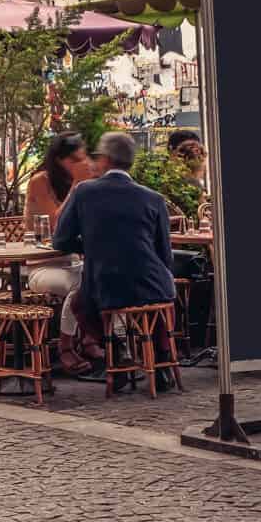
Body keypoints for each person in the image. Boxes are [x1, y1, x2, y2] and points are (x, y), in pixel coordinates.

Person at [52, 131, 177, 388]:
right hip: (152, 283)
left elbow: (60, 241)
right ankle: (162, 360)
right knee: (160, 299)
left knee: (80, 303)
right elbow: (165, 253)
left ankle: (117, 351)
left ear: (106, 160)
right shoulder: (153, 198)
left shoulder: (85, 192)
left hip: (105, 283)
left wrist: (91, 246)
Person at [24, 133, 96, 373]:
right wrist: (77, 185)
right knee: (80, 285)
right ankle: (65, 347)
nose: (80, 163)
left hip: (73, 261)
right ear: (59, 160)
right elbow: (57, 224)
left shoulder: (81, 183)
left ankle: (90, 340)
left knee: (107, 277)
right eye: (74, 159)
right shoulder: (40, 181)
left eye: (82, 157)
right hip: (42, 266)